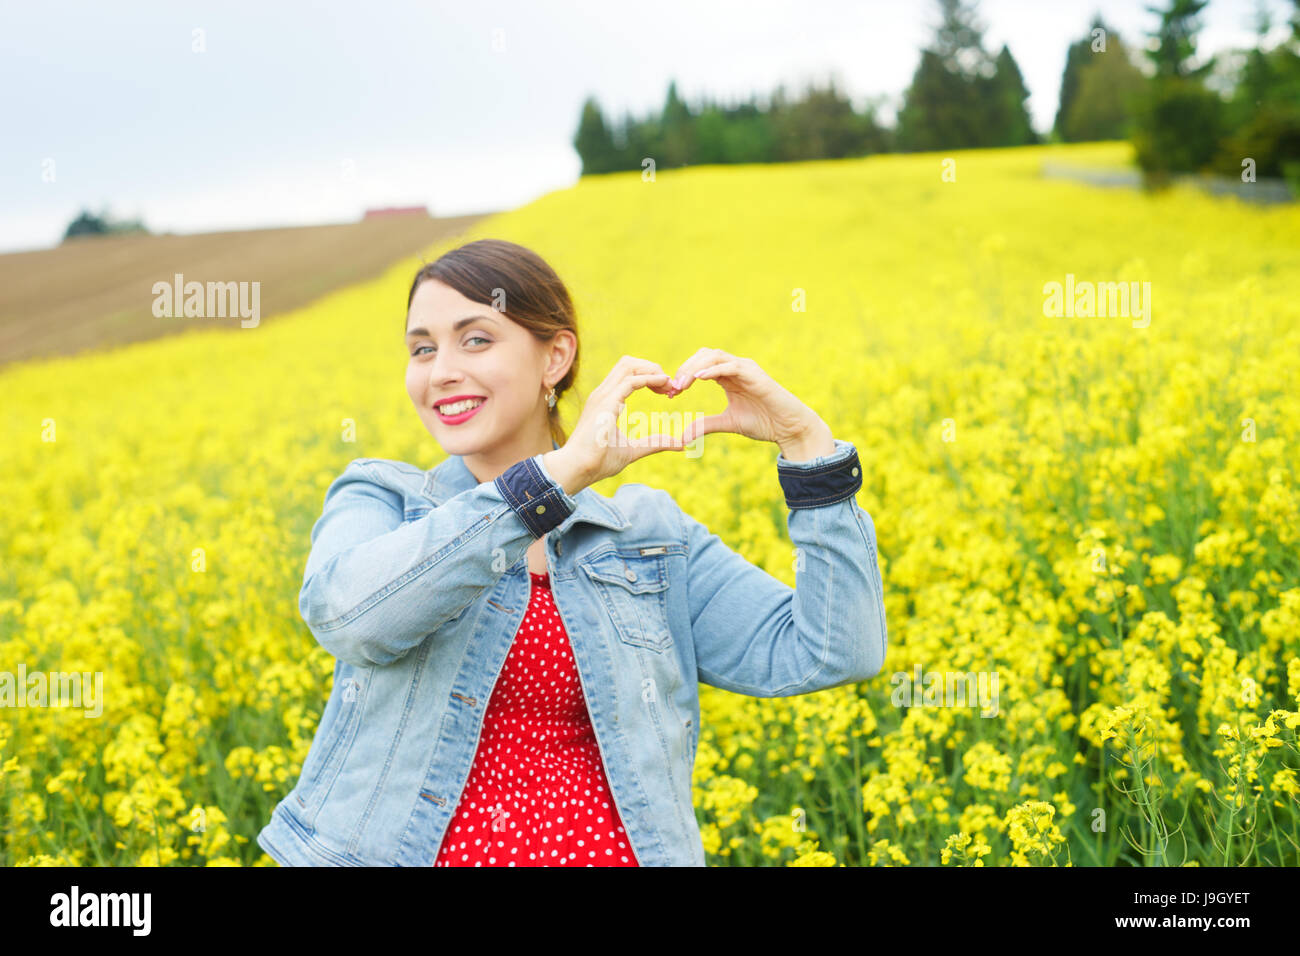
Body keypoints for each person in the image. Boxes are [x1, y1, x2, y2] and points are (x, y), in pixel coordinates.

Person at [256, 238, 887, 867]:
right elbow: (350, 618)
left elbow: (835, 650)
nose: (440, 369)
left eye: (475, 339)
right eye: (422, 348)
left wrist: (808, 447)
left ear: (555, 356)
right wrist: (549, 483)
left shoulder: (650, 537)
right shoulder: (386, 500)